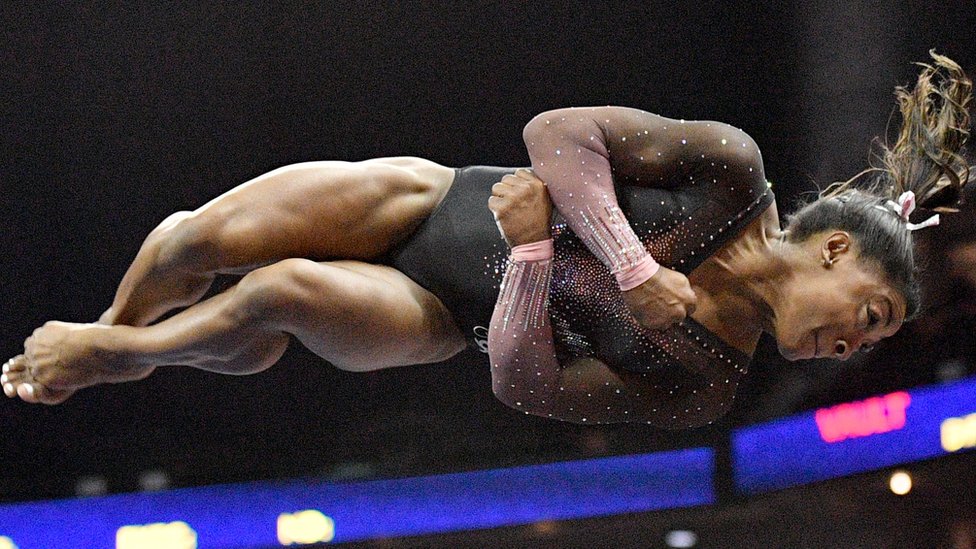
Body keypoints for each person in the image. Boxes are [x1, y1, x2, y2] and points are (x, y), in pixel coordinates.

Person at [2, 52, 972, 429]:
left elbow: (526, 386)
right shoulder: (727, 169)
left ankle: (115, 353)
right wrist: (632, 265)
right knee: (196, 239)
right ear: (834, 251)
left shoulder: (707, 381)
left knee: (279, 292)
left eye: (870, 341)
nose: (855, 344)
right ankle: (114, 337)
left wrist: (535, 259)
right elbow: (559, 133)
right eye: (870, 314)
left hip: (436, 314)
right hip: (426, 200)